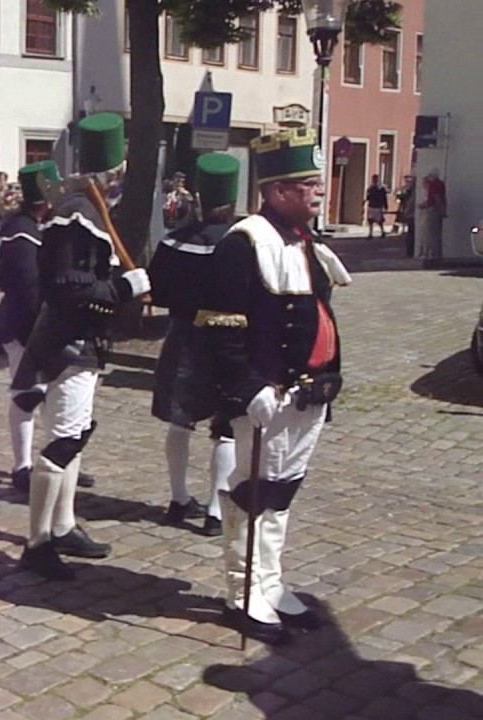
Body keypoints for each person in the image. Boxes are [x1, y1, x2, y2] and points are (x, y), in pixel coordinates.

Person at [198, 127, 352, 645]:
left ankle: (270, 581)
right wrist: (248, 389)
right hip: (269, 395)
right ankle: (241, 591)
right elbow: (219, 326)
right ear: (278, 190)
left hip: (309, 392)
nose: (319, 191)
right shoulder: (243, 244)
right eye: (308, 183)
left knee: (283, 492)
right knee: (254, 490)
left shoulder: (305, 240)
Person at [11, 113, 152, 580]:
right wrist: (124, 289)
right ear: (114, 167)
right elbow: (69, 288)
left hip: (84, 340)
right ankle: (37, 543)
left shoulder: (87, 208)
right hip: (68, 340)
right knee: (64, 440)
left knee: (76, 434)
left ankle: (64, 524)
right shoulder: (78, 214)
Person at [147, 153, 243, 538]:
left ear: (199, 199)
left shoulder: (174, 244)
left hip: (183, 337)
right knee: (226, 429)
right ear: (232, 202)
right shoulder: (241, 244)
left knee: (179, 421)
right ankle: (216, 511)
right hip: (228, 343)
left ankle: (178, 498)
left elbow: (157, 291)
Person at [0, 161, 58, 492]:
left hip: (43, 324)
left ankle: (55, 460)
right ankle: (21, 465)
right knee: (26, 395)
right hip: (24, 325)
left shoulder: (41, 226)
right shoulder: (21, 233)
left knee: (54, 398)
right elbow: (26, 288)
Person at [417, 169, 447, 263]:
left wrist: (423, 205)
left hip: (432, 211)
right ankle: (436, 255)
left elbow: (436, 199)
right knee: (437, 234)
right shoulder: (441, 184)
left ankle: (431, 255)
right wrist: (443, 210)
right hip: (437, 211)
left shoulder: (434, 185)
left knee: (430, 234)